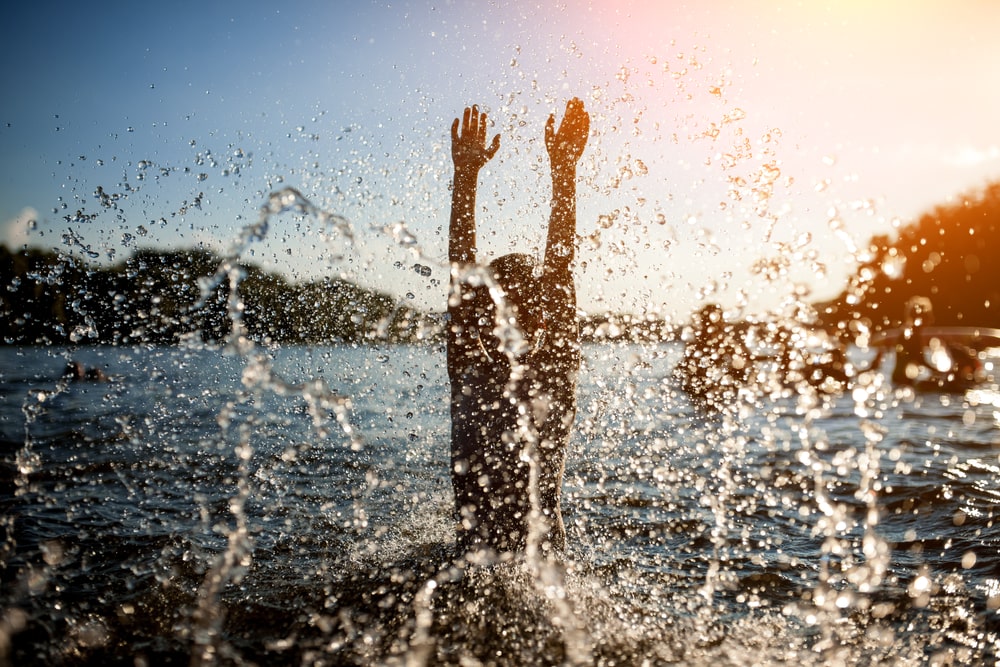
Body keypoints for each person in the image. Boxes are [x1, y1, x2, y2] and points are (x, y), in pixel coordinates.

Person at [447, 99, 589, 555]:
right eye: (497, 307)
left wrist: (565, 174)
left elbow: (560, 267)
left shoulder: (555, 367)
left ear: (544, 315)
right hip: (486, 571)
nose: (508, 319)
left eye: (521, 306)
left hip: (536, 572)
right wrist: (465, 178)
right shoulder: (469, 366)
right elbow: (462, 272)